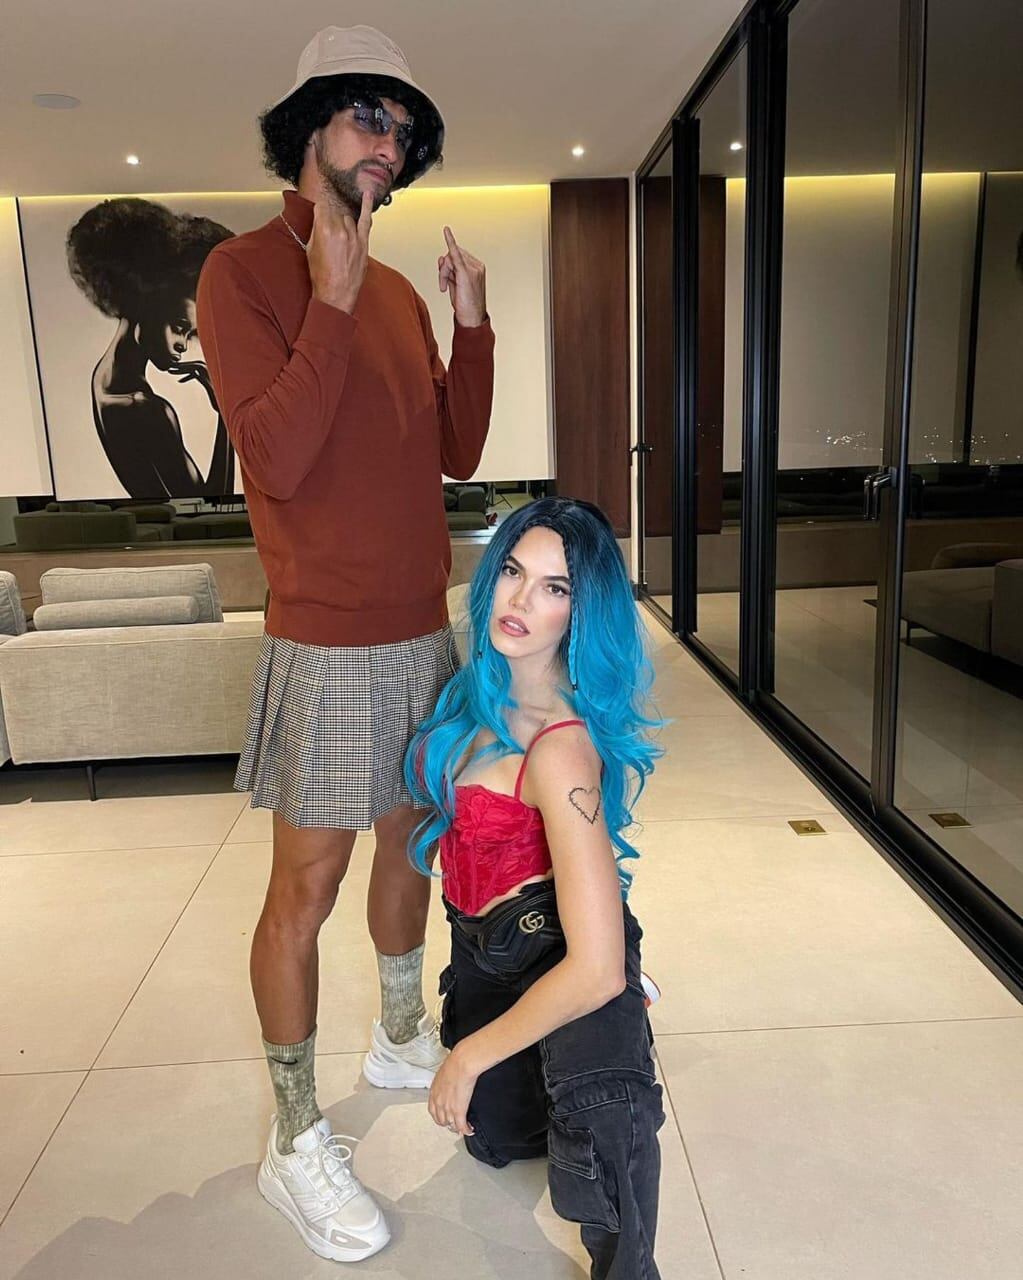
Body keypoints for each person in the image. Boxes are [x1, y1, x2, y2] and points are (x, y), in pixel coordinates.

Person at [195, 24, 494, 1264]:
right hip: (323, 639)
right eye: (368, 115)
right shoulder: (243, 273)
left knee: (412, 842)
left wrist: (470, 326)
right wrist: (326, 296)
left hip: (421, 625)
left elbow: (455, 453)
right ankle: (292, 1131)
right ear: (309, 125)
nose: (389, 140)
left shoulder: (402, 292)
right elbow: (272, 455)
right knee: (304, 888)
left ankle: (398, 1031)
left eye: (404, 128)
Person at [405, 497, 666, 1278]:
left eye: (554, 588)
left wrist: (466, 1057)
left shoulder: (560, 748)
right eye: (514, 571)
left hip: (559, 949)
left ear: (581, 612)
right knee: (497, 1141)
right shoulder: (472, 692)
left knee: (600, 1134)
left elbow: (593, 968)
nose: (520, 600)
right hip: (483, 956)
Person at [66, 198, 235, 498]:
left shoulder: (103, 378)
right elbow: (209, 506)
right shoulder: (147, 409)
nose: (183, 345)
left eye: (191, 334)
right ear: (146, 303)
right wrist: (226, 413)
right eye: (180, 327)